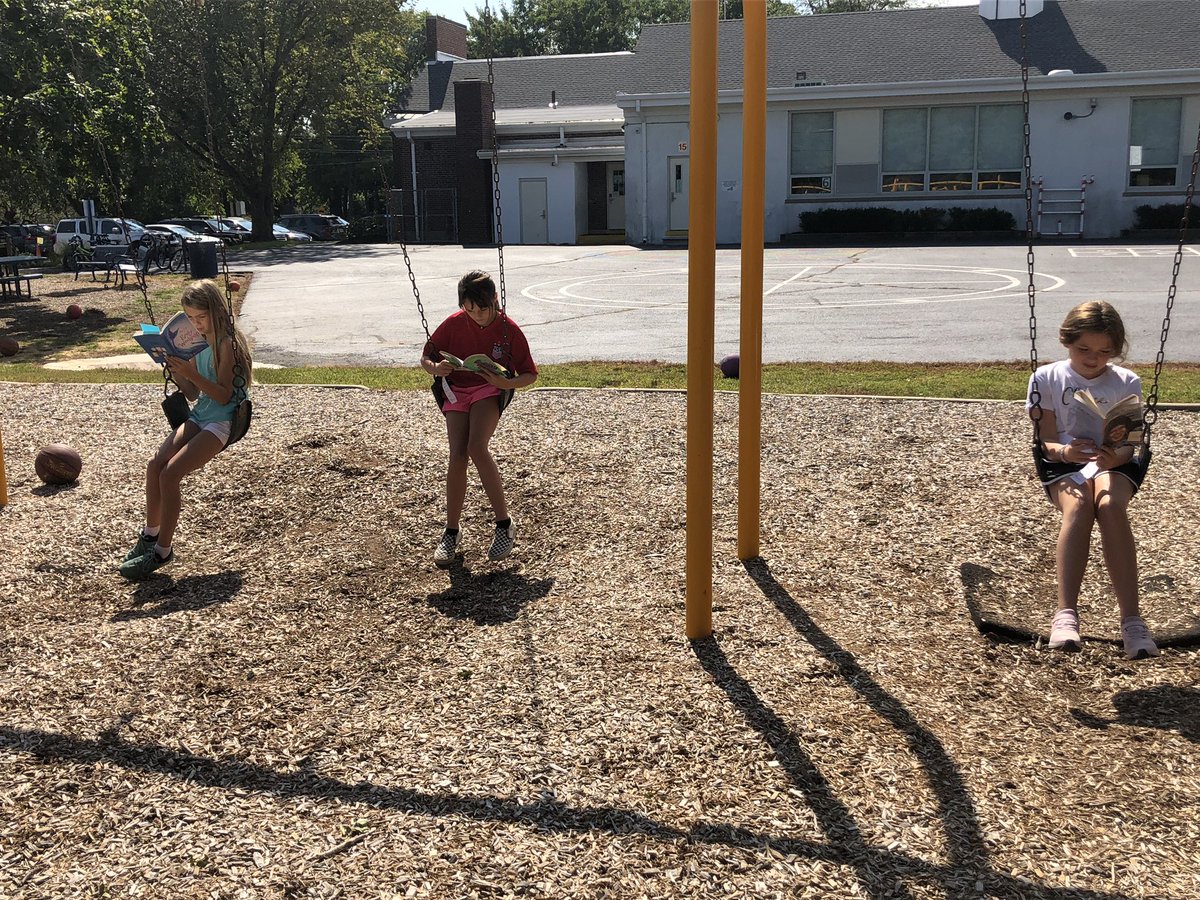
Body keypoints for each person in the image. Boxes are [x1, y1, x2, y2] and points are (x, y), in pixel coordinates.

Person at [1026, 300, 1157, 659]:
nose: (1093, 358)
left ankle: (1133, 621)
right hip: (1065, 463)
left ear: (1115, 350)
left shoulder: (1126, 381)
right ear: (1067, 341)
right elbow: (1047, 441)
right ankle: (1065, 615)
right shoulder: (1046, 378)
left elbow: (1130, 445)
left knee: (1110, 505)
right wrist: (1067, 453)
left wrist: (1114, 454)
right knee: (1080, 505)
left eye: (1104, 352)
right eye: (1084, 349)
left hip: (1113, 461)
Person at [120, 279, 253, 580]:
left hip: (224, 420)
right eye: (191, 319)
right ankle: (149, 536)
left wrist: (191, 371)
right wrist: (176, 370)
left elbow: (223, 395)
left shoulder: (226, 345)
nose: (196, 325)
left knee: (171, 474)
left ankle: (163, 551)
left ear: (217, 312)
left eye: (201, 318)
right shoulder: (194, 343)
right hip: (201, 414)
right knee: (155, 465)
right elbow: (193, 394)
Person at [420, 270, 538, 568]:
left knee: (476, 447)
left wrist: (506, 384)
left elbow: (529, 373)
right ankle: (451, 532)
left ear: (495, 301)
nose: (476, 316)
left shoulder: (508, 330)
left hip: (489, 389)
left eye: (482, 309)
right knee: (457, 455)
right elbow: (426, 358)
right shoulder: (454, 323)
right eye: (468, 310)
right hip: (457, 389)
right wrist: (436, 368)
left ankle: (504, 525)